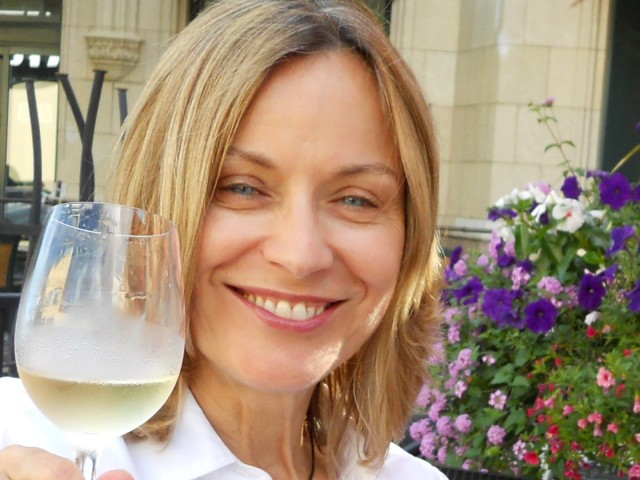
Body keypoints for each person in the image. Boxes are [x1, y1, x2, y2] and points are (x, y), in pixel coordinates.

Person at [0, 0, 446, 478]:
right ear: (159, 203)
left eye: (356, 199)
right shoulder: (24, 437)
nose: (300, 255)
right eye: (242, 188)